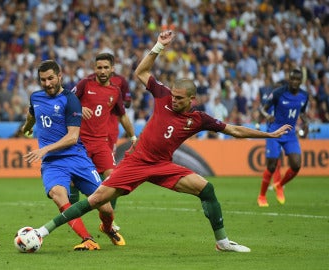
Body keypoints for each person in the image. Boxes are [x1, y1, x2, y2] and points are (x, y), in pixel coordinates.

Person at [32, 31, 291, 252]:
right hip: (136, 162)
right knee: (97, 200)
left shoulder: (199, 119)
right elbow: (141, 71)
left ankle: (222, 241)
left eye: (179, 98)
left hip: (162, 165)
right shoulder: (162, 95)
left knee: (206, 189)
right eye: (174, 96)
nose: (173, 101)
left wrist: (268, 135)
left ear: (192, 100)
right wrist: (158, 47)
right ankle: (43, 231)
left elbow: (234, 130)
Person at [21, 60, 125, 251]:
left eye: (51, 78)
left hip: (77, 158)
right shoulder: (35, 97)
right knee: (58, 194)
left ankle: (108, 227)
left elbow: (72, 137)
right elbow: (32, 114)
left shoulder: (70, 100)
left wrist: (44, 149)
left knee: (106, 208)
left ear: (59, 77)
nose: (47, 83)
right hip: (53, 163)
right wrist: (26, 127)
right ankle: (87, 239)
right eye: (43, 80)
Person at [69, 53, 136, 234]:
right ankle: (72, 217)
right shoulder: (85, 84)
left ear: (112, 69)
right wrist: (79, 108)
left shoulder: (115, 91)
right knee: (74, 182)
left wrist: (133, 137)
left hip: (101, 143)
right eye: (99, 67)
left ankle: (108, 219)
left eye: (106, 67)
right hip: (80, 142)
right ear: (94, 68)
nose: (103, 71)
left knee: (114, 179)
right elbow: (67, 100)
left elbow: (122, 115)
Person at [257, 68, 309, 206]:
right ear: (289, 79)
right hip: (275, 131)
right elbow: (262, 108)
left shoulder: (304, 95)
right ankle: (262, 196)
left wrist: (306, 122)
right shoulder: (279, 93)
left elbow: (302, 112)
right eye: (292, 79)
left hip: (290, 134)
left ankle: (279, 185)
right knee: (272, 165)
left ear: (301, 81)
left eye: (297, 79)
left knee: (296, 165)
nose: (294, 82)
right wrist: (268, 116)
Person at [256, 78, 282, 207]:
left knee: (277, 160)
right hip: (271, 133)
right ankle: (271, 186)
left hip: (283, 134)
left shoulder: (284, 102)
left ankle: (277, 184)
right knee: (272, 162)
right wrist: (258, 123)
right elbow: (262, 110)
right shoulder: (270, 102)